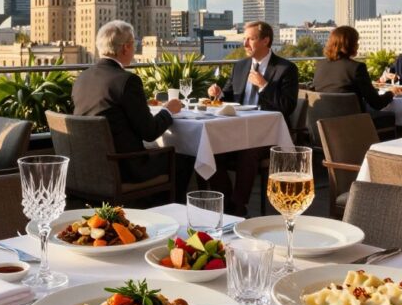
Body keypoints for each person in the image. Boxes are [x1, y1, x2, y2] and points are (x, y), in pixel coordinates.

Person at [73, 20, 193, 200]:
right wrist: (168, 110)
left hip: (87, 167)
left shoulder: (82, 78)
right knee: (185, 155)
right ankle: (168, 213)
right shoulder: (127, 81)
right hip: (124, 167)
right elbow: (150, 132)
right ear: (126, 48)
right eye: (134, 44)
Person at [206, 21, 299, 216]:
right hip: (237, 130)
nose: (245, 44)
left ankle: (239, 208)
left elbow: (287, 107)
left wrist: (264, 85)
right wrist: (218, 93)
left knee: (248, 150)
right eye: (244, 39)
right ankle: (227, 205)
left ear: (266, 40)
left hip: (268, 135)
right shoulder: (240, 66)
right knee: (209, 149)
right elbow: (229, 97)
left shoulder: (286, 68)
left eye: (250, 39)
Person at [314, 25, 394, 111]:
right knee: (393, 116)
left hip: (322, 119)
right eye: (356, 42)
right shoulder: (357, 68)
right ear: (350, 44)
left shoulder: (320, 65)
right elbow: (377, 104)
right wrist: (392, 93)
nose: (358, 45)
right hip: (353, 121)